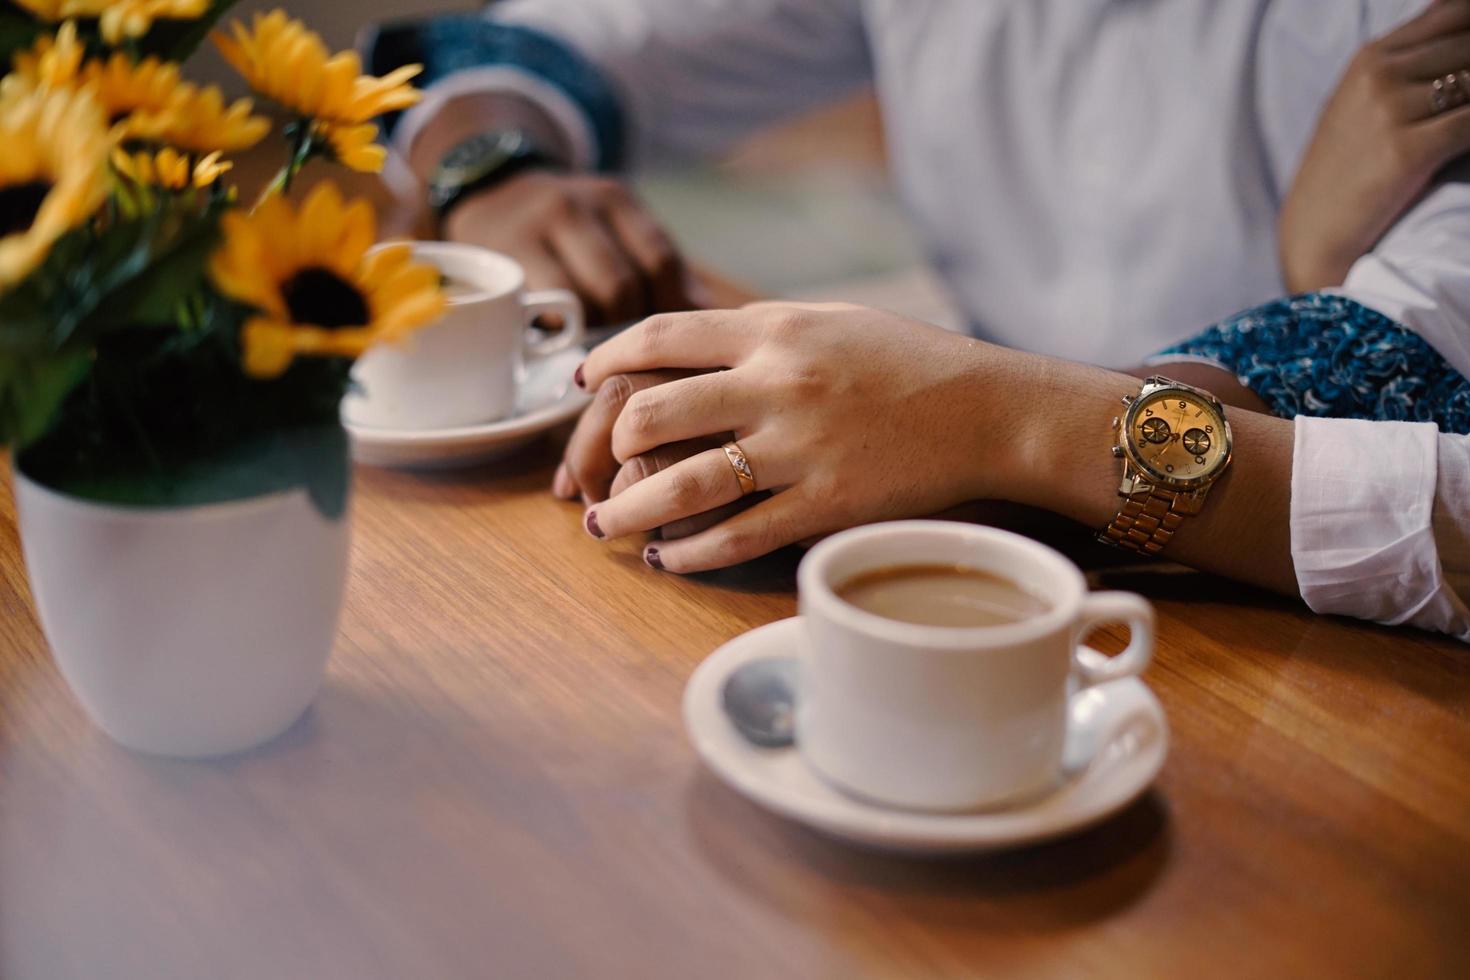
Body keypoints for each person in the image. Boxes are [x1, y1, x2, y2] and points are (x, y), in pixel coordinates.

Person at [368, 0, 1470, 640]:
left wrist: (985, 430)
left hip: (1274, 626)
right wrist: (492, 167)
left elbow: (1408, 404)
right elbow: (552, 43)